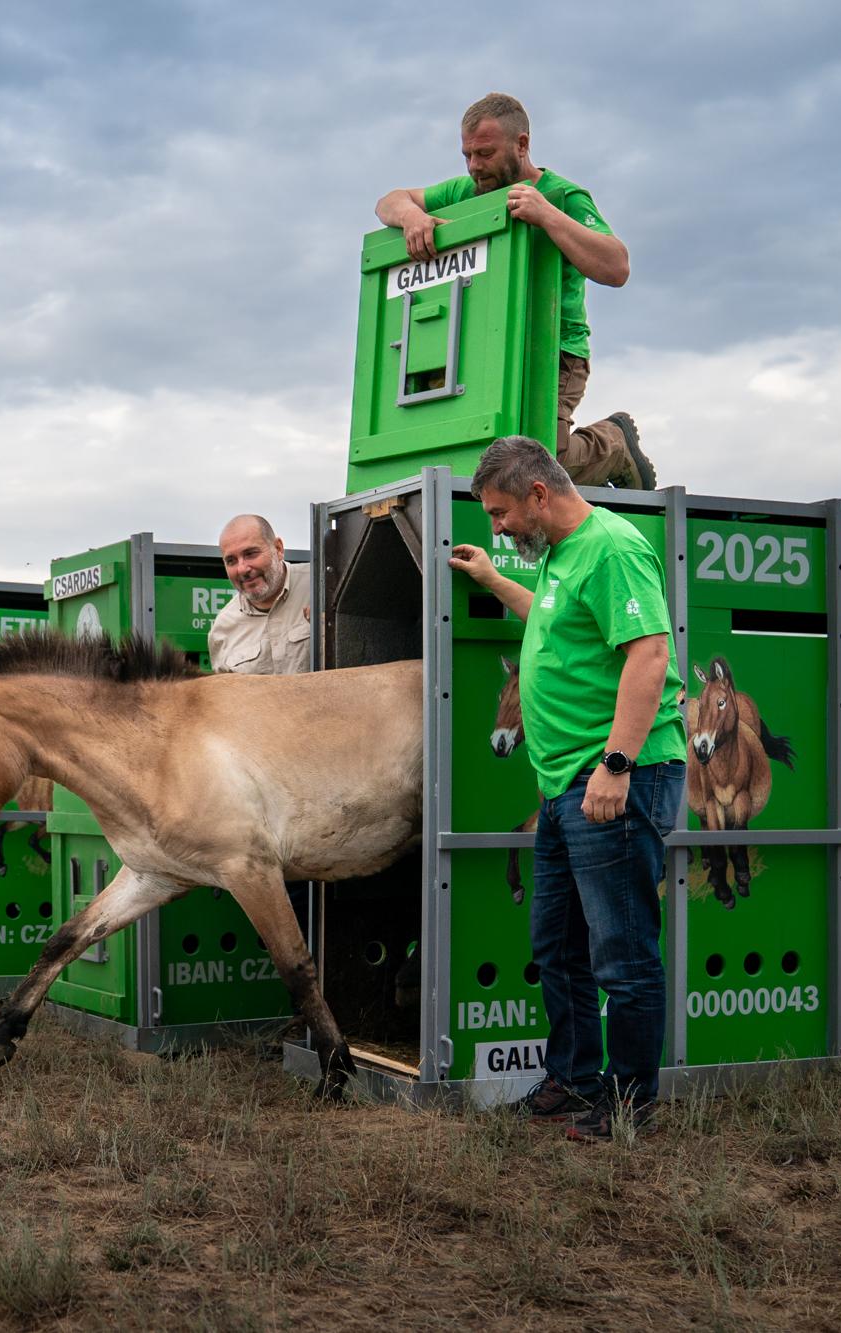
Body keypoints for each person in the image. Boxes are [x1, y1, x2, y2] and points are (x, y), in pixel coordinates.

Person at [448, 436, 685, 1142]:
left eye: (499, 513)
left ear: (539, 495)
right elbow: (554, 622)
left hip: (612, 780)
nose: (496, 526)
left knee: (624, 949)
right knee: (558, 942)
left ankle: (630, 1102)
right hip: (563, 787)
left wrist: (616, 764)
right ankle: (575, 1077)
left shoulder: (612, 547)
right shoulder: (559, 557)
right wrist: (493, 577)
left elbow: (649, 651)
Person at [375, 92, 656, 491]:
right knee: (487, 460)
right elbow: (389, 200)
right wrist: (410, 218)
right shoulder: (467, 192)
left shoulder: (563, 196)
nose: (475, 166)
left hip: (556, 352)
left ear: (522, 144)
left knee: (538, 468)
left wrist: (548, 216)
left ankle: (612, 444)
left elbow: (617, 267)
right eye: (467, 155)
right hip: (486, 355)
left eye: (485, 154)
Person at [207, 514, 310, 675]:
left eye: (251, 554)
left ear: (278, 549)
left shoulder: (323, 587)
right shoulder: (222, 630)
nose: (242, 569)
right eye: (231, 561)